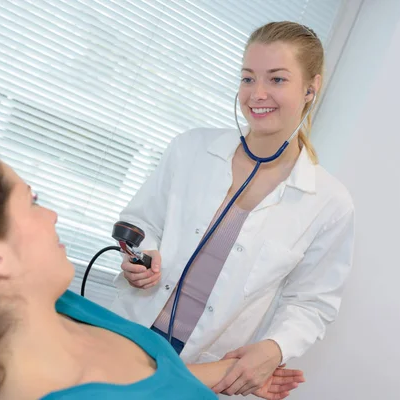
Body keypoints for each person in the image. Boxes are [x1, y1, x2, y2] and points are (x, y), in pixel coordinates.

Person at [0, 137, 305, 400]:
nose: (51, 215)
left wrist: (240, 376)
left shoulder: (63, 307)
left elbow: (160, 377)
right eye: (31, 203)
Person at [109, 21, 355, 397]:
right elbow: (142, 221)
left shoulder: (329, 202)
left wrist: (274, 349)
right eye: (247, 78)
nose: (257, 94)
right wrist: (144, 255)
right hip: (129, 333)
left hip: (210, 366)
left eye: (276, 80)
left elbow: (311, 302)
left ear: (311, 88)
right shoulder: (191, 149)